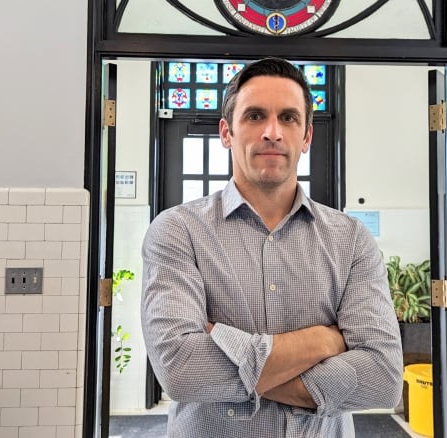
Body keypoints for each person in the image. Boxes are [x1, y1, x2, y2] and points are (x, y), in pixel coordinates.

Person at [141, 57, 403, 437]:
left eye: (289, 118)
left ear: (307, 136)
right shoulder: (177, 232)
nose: (272, 132)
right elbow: (181, 370)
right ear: (227, 133)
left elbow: (382, 377)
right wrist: (325, 340)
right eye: (254, 116)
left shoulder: (351, 240)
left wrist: (232, 354)